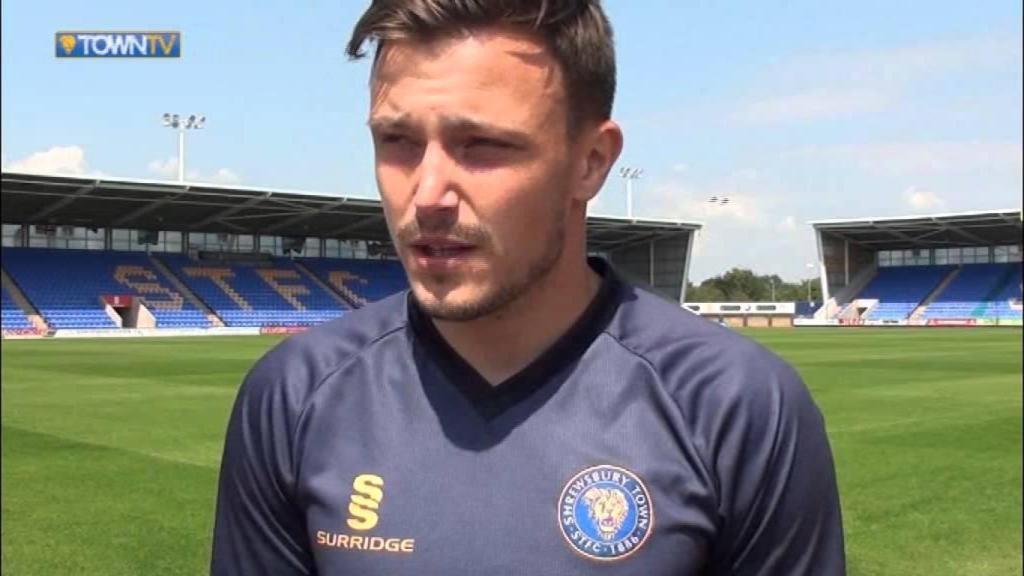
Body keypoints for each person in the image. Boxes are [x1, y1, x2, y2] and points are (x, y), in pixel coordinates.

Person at [210, 1, 846, 574]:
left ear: (591, 162)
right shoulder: (294, 396)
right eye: (397, 142)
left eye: (482, 146)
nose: (426, 195)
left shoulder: (736, 407)